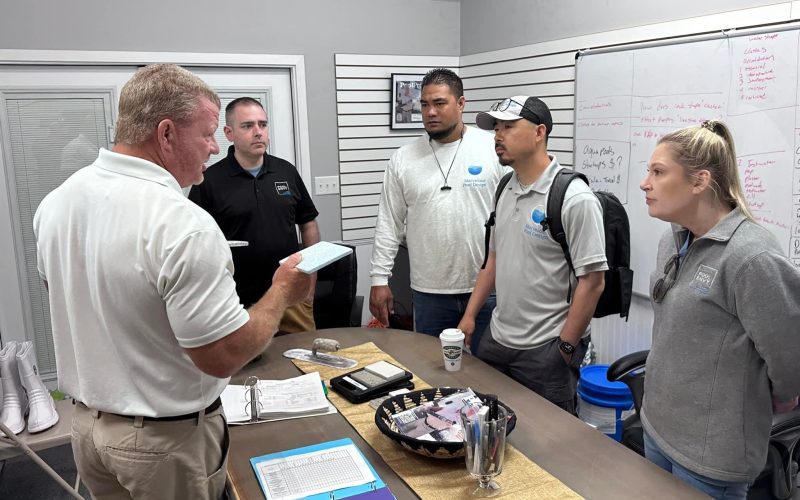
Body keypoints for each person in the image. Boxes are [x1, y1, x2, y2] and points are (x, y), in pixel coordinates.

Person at [33, 64, 311, 500]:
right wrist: (280, 292)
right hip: (161, 444)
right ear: (165, 134)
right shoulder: (183, 223)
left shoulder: (58, 201)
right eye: (206, 134)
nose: (213, 146)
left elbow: (69, 298)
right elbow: (222, 356)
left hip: (87, 431)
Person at [638, 120, 800, 499]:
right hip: (658, 428)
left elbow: (790, 356)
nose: (645, 183)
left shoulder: (751, 256)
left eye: (658, 172)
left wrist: (774, 396)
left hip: (711, 456)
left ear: (699, 182)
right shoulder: (672, 237)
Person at [457, 96, 607, 414]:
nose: (498, 135)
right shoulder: (504, 188)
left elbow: (593, 283)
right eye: (496, 128)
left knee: (547, 449)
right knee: (487, 431)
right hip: (496, 341)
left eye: (509, 127)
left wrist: (564, 348)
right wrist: (470, 316)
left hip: (546, 349)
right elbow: (493, 260)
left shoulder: (574, 198)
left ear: (539, 132)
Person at [369, 68, 505, 352]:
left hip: (486, 289)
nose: (430, 112)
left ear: (461, 103)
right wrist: (379, 279)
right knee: (432, 370)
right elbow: (388, 223)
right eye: (424, 104)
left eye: (440, 103)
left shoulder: (492, 148)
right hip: (429, 292)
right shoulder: (403, 159)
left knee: (491, 372)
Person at [190, 97, 320, 333]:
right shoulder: (209, 181)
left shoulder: (286, 171)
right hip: (237, 301)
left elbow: (308, 223)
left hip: (291, 298)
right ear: (229, 133)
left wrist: (310, 281)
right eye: (248, 126)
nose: (258, 132)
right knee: (248, 367)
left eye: (263, 124)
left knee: (304, 363)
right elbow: (196, 242)